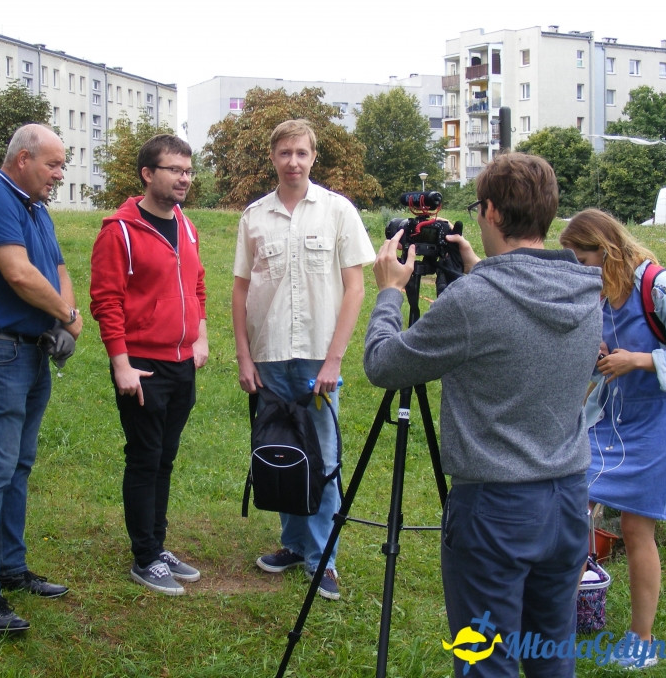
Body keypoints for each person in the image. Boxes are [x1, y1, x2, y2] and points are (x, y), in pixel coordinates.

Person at [363, 152, 603, 678]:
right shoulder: (586, 289)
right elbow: (524, 323)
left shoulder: (474, 301)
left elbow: (383, 365)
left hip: (496, 508)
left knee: (486, 662)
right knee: (552, 654)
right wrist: (480, 271)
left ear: (491, 211)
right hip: (568, 499)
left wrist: (388, 295)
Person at [559, 209, 666, 670]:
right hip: (610, 420)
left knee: (635, 529)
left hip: (656, 426)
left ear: (605, 250)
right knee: (572, 512)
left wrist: (639, 360)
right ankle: (558, 623)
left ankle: (641, 639)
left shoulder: (658, 287)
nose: (579, 270)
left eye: (582, 259)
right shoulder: (602, 292)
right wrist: (601, 355)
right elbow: (604, 353)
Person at [232, 118, 376, 601]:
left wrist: (334, 360)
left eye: (301, 153)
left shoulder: (337, 211)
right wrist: (244, 357)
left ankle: (323, 560)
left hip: (318, 360)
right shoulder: (254, 217)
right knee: (281, 453)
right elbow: (241, 290)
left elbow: (355, 289)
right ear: (272, 157)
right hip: (270, 357)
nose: (293, 162)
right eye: (284, 153)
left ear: (313, 157)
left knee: (324, 460)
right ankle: (294, 545)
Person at [0, 123, 83, 633]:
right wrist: (68, 317)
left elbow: (57, 269)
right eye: (53, 164)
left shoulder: (36, 209)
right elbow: (19, 273)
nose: (59, 174)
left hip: (31, 352)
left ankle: (10, 567)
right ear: (23, 159)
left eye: (62, 165)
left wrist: (64, 320)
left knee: (18, 467)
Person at [89, 134, 208, 596]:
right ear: (147, 174)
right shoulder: (118, 231)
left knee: (165, 458)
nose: (184, 179)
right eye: (174, 170)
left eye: (188, 171)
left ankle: (157, 545)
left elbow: (197, 284)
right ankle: (144, 557)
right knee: (144, 458)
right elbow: (106, 301)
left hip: (181, 363)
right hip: (141, 365)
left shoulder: (187, 225)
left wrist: (200, 336)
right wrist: (120, 363)